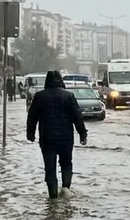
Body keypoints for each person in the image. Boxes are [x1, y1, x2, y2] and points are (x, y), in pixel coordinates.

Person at [26, 70, 88, 198]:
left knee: (50, 167)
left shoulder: (39, 96)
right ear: (60, 81)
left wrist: (30, 134)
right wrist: (83, 134)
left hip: (47, 138)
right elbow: (77, 117)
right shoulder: (68, 96)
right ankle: (66, 189)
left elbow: (32, 117)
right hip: (66, 138)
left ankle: (53, 197)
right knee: (66, 163)